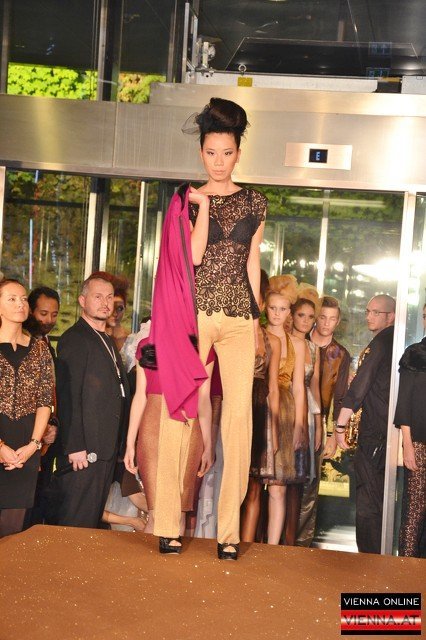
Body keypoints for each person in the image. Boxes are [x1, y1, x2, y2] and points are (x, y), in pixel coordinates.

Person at [186, 97, 267, 560]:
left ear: (238, 153)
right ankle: (169, 520)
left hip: (238, 315)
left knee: (239, 421)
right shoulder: (187, 199)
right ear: (201, 152)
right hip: (195, 314)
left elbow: (253, 263)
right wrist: (201, 207)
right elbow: (189, 261)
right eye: (211, 153)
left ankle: (229, 533)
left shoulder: (255, 201)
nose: (219, 161)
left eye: (227, 153)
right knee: (182, 410)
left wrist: (256, 322)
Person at [55, 274, 130, 528]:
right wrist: (75, 445)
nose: (105, 303)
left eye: (109, 297)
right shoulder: (75, 338)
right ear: (82, 301)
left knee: (91, 522)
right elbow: (68, 395)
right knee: (76, 521)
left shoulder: (106, 339)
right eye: (98, 297)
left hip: (106, 447)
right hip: (84, 451)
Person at [335, 294, 395, 554]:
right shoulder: (392, 341)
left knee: (368, 501)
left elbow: (361, 384)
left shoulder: (381, 343)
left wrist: (340, 425)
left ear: (391, 316)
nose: (369, 316)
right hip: (383, 430)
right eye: (368, 311)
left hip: (375, 433)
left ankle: (369, 561)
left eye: (375, 312)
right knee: (375, 498)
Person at [0, 279, 54, 537]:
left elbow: (45, 401)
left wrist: (34, 445)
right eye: (11, 299)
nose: (20, 304)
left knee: (12, 534)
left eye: (23, 299)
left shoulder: (40, 349)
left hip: (26, 448)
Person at [296, 295, 351, 546]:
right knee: (283, 483)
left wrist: (331, 435)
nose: (327, 323)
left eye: (332, 318)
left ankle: (301, 543)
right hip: (292, 418)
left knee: (310, 484)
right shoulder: (299, 342)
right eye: (323, 317)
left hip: (319, 425)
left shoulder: (340, 354)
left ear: (338, 321)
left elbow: (340, 397)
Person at [263, 275, 306, 545]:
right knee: (251, 486)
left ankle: (272, 546)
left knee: (278, 487)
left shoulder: (298, 344)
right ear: (265, 309)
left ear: (289, 312)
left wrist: (300, 425)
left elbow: (299, 387)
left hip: (286, 412)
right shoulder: (256, 337)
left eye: (283, 309)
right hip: (259, 405)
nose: (277, 314)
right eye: (273, 308)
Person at [240, 271, 280, 543]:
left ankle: (244, 544)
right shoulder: (230, 335)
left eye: (258, 300)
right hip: (233, 404)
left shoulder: (272, 342)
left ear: (263, 304)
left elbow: (274, 388)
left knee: (254, 486)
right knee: (230, 480)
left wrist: (274, 431)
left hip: (259, 410)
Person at [23, 286, 61, 526]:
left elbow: (51, 393)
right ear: (30, 311)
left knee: (37, 505)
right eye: (43, 313)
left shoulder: (47, 344)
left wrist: (52, 424)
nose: (48, 321)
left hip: (46, 439)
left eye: (54, 315)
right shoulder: (23, 344)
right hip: (23, 440)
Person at [290, 287, 322, 546]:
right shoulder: (281, 340)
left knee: (300, 477)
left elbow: (316, 386)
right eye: (301, 314)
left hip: (308, 413)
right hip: (285, 407)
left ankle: (293, 540)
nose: (306, 320)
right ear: (292, 315)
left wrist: (320, 424)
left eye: (311, 316)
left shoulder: (314, 348)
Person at [393, 329, 426, 558]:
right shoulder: (415, 354)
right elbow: (403, 403)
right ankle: (404, 568)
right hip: (419, 443)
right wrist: (407, 445)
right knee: (414, 509)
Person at [106, 276, 130, 353]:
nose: (115, 314)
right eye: (111, 307)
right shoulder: (93, 337)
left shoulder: (132, 340)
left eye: (120, 308)